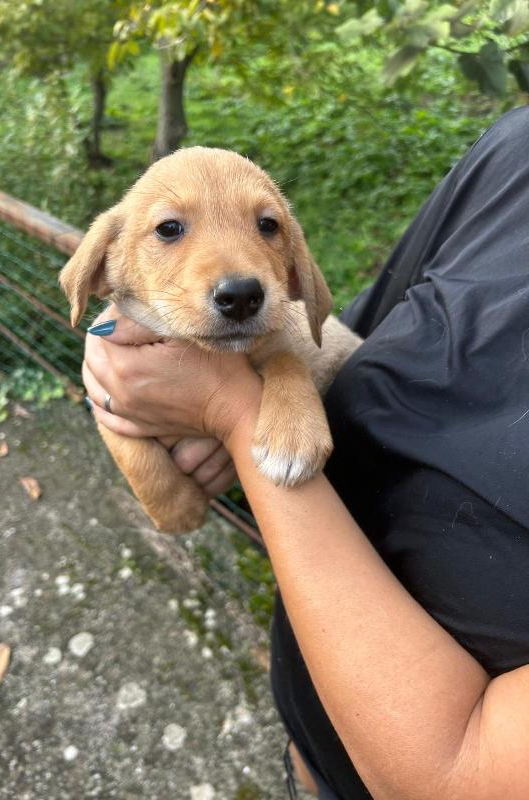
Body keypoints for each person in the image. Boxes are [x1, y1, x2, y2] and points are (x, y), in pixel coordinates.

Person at [81, 107, 529, 800]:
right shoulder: (515, 153)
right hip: (308, 691)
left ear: (295, 268)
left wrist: (235, 407)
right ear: (105, 264)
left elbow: (308, 345)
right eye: (170, 229)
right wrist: (119, 396)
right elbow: (354, 341)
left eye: (267, 226)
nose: (235, 269)